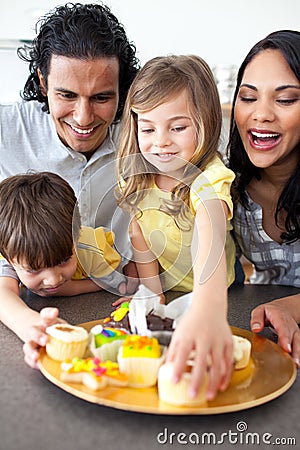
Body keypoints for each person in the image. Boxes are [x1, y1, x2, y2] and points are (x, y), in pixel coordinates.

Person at [116, 55, 236, 400]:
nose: (161, 142)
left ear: (205, 122)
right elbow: (140, 235)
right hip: (170, 290)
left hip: (217, 293)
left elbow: (209, 228)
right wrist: (152, 294)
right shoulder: (139, 176)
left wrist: (208, 307)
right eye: (148, 128)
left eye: (178, 127)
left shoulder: (209, 177)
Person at [0, 2, 140, 294]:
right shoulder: (7, 129)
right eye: (67, 95)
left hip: (125, 299)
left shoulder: (147, 133)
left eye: (101, 98)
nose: (83, 118)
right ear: (42, 82)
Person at [0, 171, 126, 367]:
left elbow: (115, 283)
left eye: (64, 260)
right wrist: (28, 324)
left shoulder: (94, 250)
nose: (53, 280)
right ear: (8, 257)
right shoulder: (15, 247)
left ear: (75, 239)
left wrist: (70, 288)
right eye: (33, 270)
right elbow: (3, 293)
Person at [227, 30, 300, 366]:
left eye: (284, 100)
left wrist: (287, 308)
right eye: (248, 97)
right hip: (265, 336)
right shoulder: (230, 190)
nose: (261, 114)